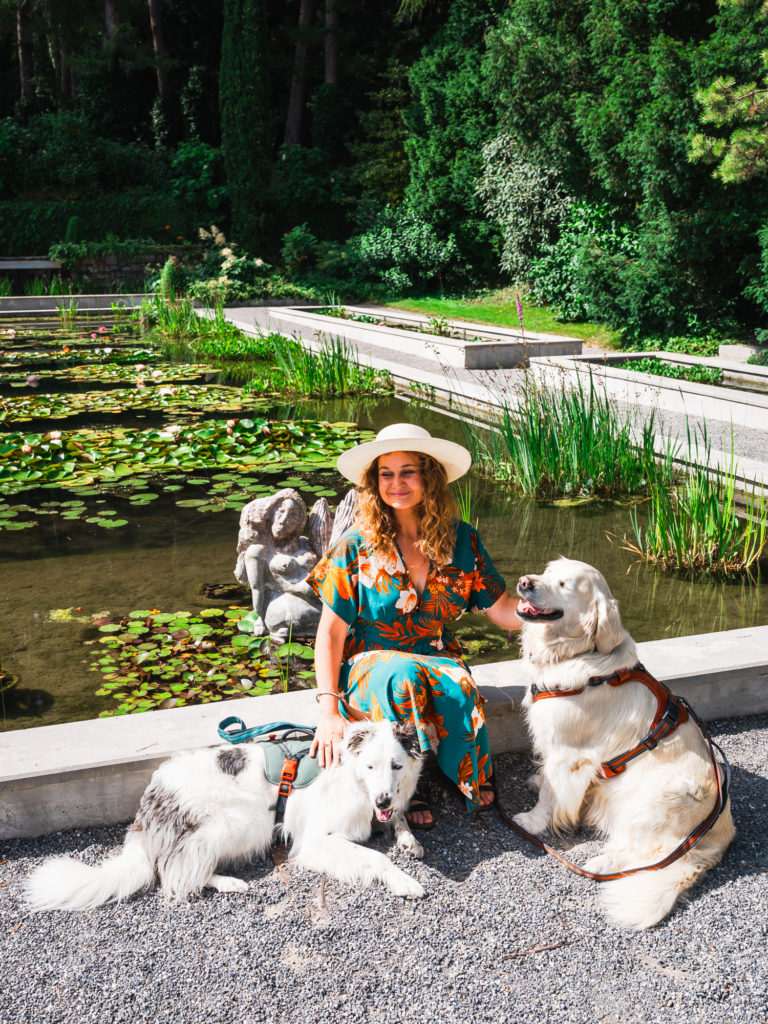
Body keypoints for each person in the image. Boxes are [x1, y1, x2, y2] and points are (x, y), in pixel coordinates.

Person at [307, 423, 522, 828]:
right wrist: (328, 708)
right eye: (386, 474)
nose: (396, 483)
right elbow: (331, 633)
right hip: (372, 661)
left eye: (408, 471)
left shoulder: (463, 541)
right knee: (401, 672)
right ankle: (408, 790)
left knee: (458, 684)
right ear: (374, 483)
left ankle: (463, 776)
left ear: (430, 477)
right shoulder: (356, 545)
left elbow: (503, 610)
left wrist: (553, 609)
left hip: (435, 652)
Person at [234, 489, 322, 640]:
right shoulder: (258, 551)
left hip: (320, 609)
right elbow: (257, 588)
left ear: (299, 521)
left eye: (293, 515)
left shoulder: (303, 543)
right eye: (281, 511)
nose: (284, 519)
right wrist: (260, 619)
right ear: (270, 514)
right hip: (285, 615)